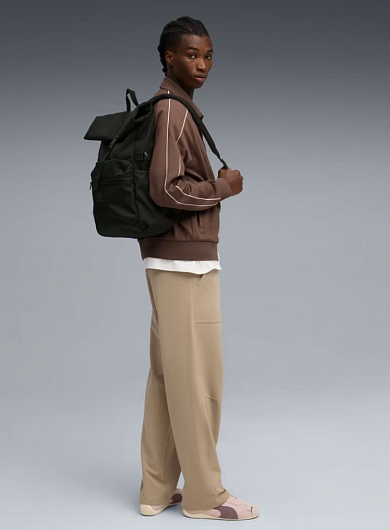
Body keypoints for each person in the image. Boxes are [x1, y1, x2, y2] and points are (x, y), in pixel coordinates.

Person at [137, 16, 259, 521]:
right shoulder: (172, 112)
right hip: (184, 264)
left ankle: (156, 489)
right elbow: (165, 189)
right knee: (197, 381)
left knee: (169, 377)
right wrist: (223, 188)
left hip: (172, 259)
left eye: (208, 55)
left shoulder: (175, 108)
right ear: (169, 58)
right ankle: (206, 497)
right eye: (191, 55)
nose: (202, 64)